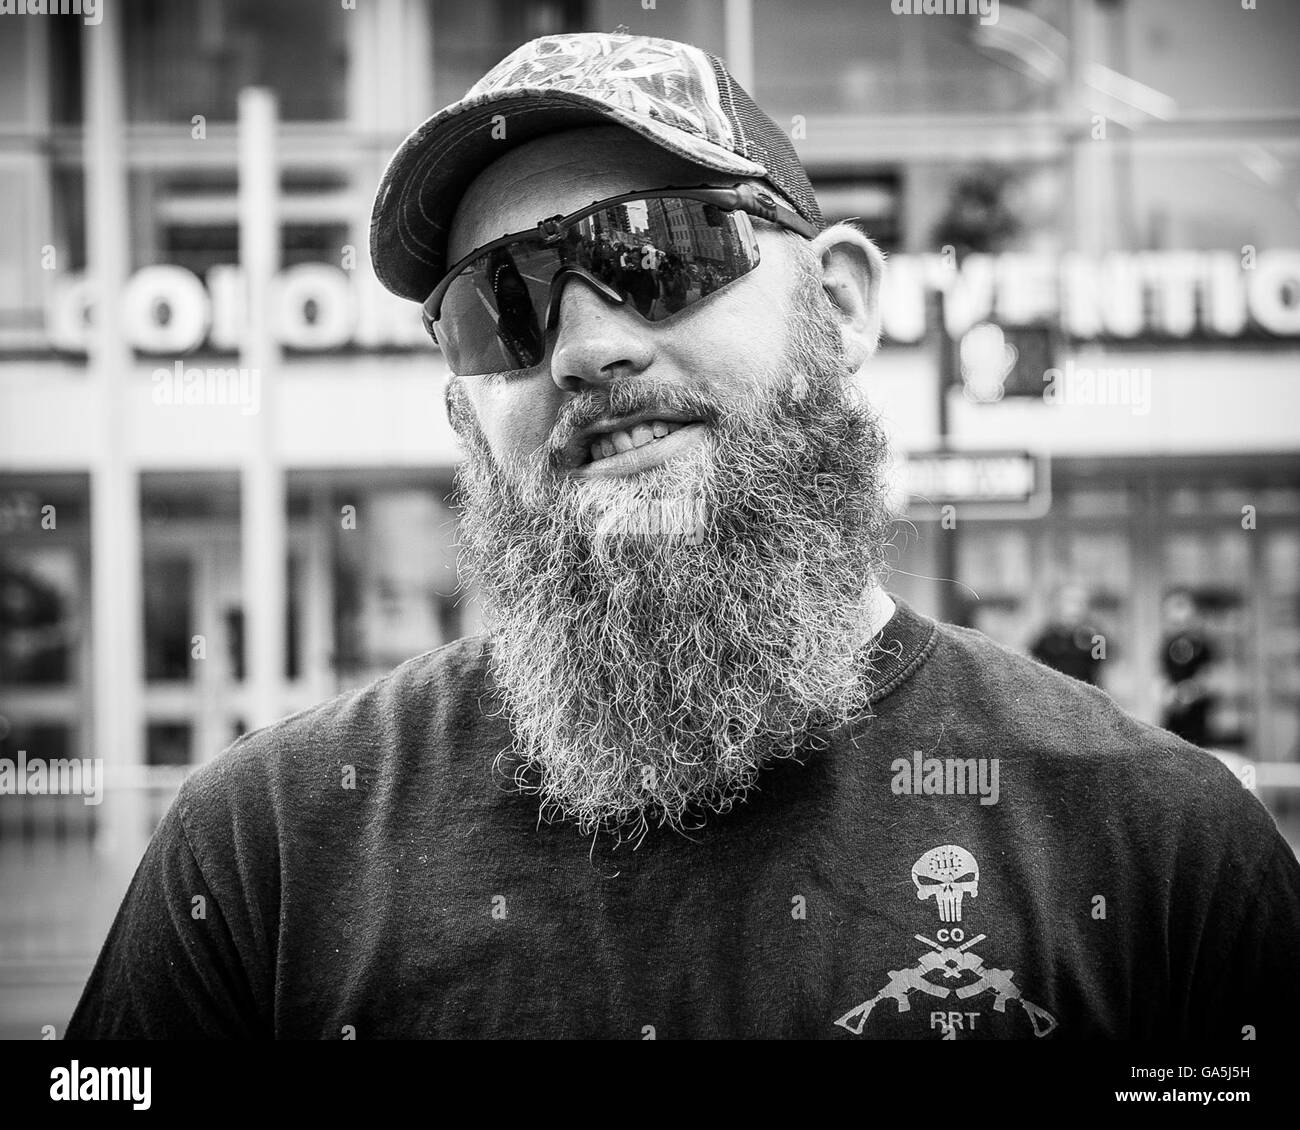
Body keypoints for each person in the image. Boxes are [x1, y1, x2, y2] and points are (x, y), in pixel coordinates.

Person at [67, 31, 1300, 1040]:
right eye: (503, 305)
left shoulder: (1159, 849)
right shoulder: (265, 854)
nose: (585, 346)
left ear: (841, 303)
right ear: (463, 409)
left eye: (656, 250)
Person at [1159, 588, 1216, 747]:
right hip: (1172, 722)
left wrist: (1186, 694)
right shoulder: (1167, 644)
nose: (1176, 614)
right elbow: (1162, 676)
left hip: (1196, 722)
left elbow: (1207, 679)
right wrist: (1165, 693)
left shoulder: (1201, 644)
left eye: (1180, 606)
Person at [1029, 583, 1104, 686]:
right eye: (1069, 602)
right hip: (1054, 692)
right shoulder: (1047, 639)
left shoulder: (1096, 638)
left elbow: (1103, 669)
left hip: (1087, 693)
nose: (1074, 608)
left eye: (1079, 603)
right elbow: (1034, 662)